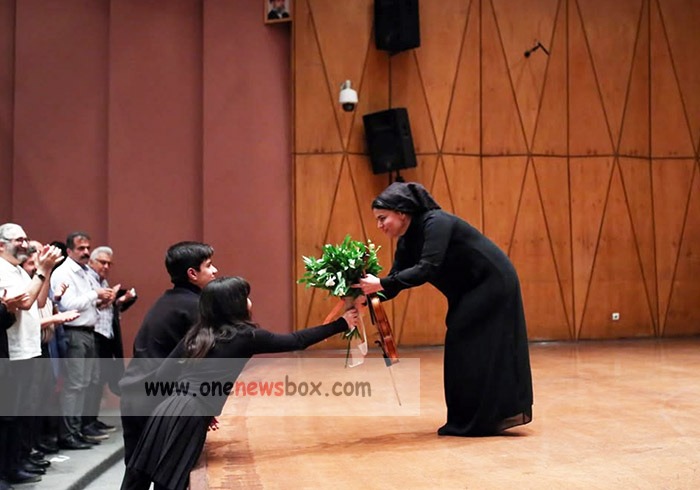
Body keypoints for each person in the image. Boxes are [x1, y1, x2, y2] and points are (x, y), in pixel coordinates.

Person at [120, 276, 359, 490]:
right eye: (245, 296)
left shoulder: (197, 333)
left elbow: (163, 376)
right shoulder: (245, 336)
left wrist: (196, 400)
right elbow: (296, 340)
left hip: (165, 410)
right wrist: (341, 323)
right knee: (170, 481)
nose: (249, 300)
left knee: (137, 477)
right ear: (235, 304)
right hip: (189, 415)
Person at [355, 181, 533, 437]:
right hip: (468, 289)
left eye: (383, 218)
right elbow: (395, 283)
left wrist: (380, 283)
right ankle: (473, 418)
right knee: (464, 345)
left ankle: (480, 419)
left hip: (492, 281)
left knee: (467, 340)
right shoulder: (406, 242)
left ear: (402, 212)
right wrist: (364, 295)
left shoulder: (436, 222)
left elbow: (427, 269)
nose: (379, 226)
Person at [119, 241, 218, 465]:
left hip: (134, 391)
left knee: (136, 472)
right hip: (157, 396)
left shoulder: (167, 300)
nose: (215, 270)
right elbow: (196, 362)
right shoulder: (196, 307)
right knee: (168, 470)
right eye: (209, 265)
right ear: (192, 273)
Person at [50, 231, 116, 449]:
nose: (86, 252)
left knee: (86, 384)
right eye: (81, 248)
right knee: (74, 385)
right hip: (73, 332)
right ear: (69, 251)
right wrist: (95, 294)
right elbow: (67, 305)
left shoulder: (85, 272)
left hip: (88, 331)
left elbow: (88, 303)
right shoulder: (64, 272)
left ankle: (77, 430)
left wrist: (102, 300)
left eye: (88, 248)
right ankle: (68, 434)